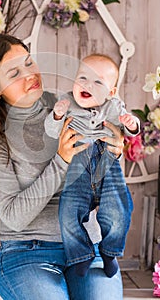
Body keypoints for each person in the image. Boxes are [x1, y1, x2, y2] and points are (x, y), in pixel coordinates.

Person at [0, 34, 125, 300]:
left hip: (86, 246)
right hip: (26, 253)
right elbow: (13, 216)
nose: (30, 75)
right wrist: (61, 161)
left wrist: (114, 151)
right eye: (14, 72)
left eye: (29, 63)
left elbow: (98, 186)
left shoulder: (70, 105)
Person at [44, 53, 139, 279]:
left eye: (98, 82)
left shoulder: (114, 106)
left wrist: (132, 124)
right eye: (83, 78)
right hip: (79, 167)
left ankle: (109, 252)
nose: (88, 85)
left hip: (108, 164)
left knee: (118, 213)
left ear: (111, 92)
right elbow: (50, 130)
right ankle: (81, 255)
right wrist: (57, 116)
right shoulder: (66, 102)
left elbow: (129, 128)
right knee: (67, 213)